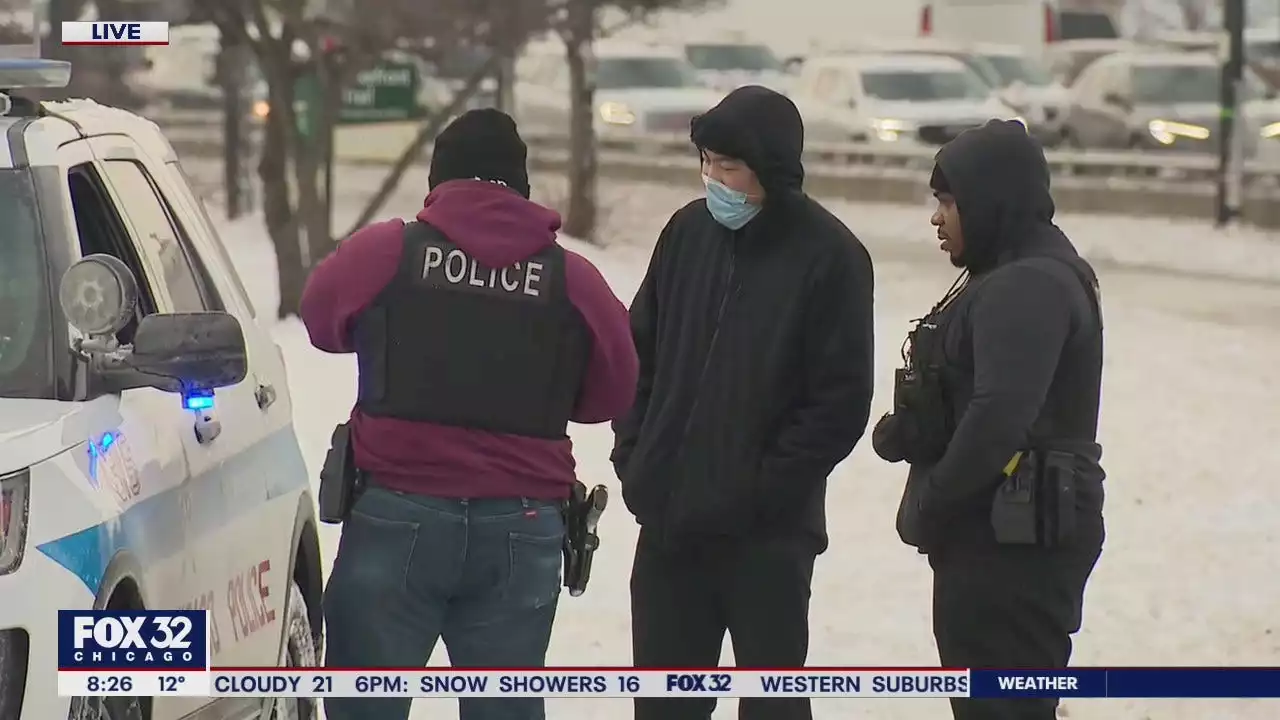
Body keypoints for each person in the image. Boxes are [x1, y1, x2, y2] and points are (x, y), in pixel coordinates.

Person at [299, 108, 639, 720]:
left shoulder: (387, 251)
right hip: (523, 523)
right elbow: (614, 392)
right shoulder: (573, 279)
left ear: (440, 180)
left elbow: (322, 322)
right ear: (522, 184)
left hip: (396, 515)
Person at [611, 86, 876, 720]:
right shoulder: (684, 234)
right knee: (665, 706)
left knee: (772, 707)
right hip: (671, 527)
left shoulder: (832, 258)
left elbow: (838, 404)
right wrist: (636, 455)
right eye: (706, 163)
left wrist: (760, 490)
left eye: (728, 167)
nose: (713, 180)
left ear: (772, 169)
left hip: (769, 540)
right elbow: (636, 355)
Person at [872, 119, 1106, 720]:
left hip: (1011, 547)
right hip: (997, 535)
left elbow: (1000, 418)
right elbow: (984, 395)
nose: (937, 217)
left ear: (990, 201)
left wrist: (933, 504)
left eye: (948, 201)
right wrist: (916, 428)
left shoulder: (1026, 284)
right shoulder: (1010, 274)